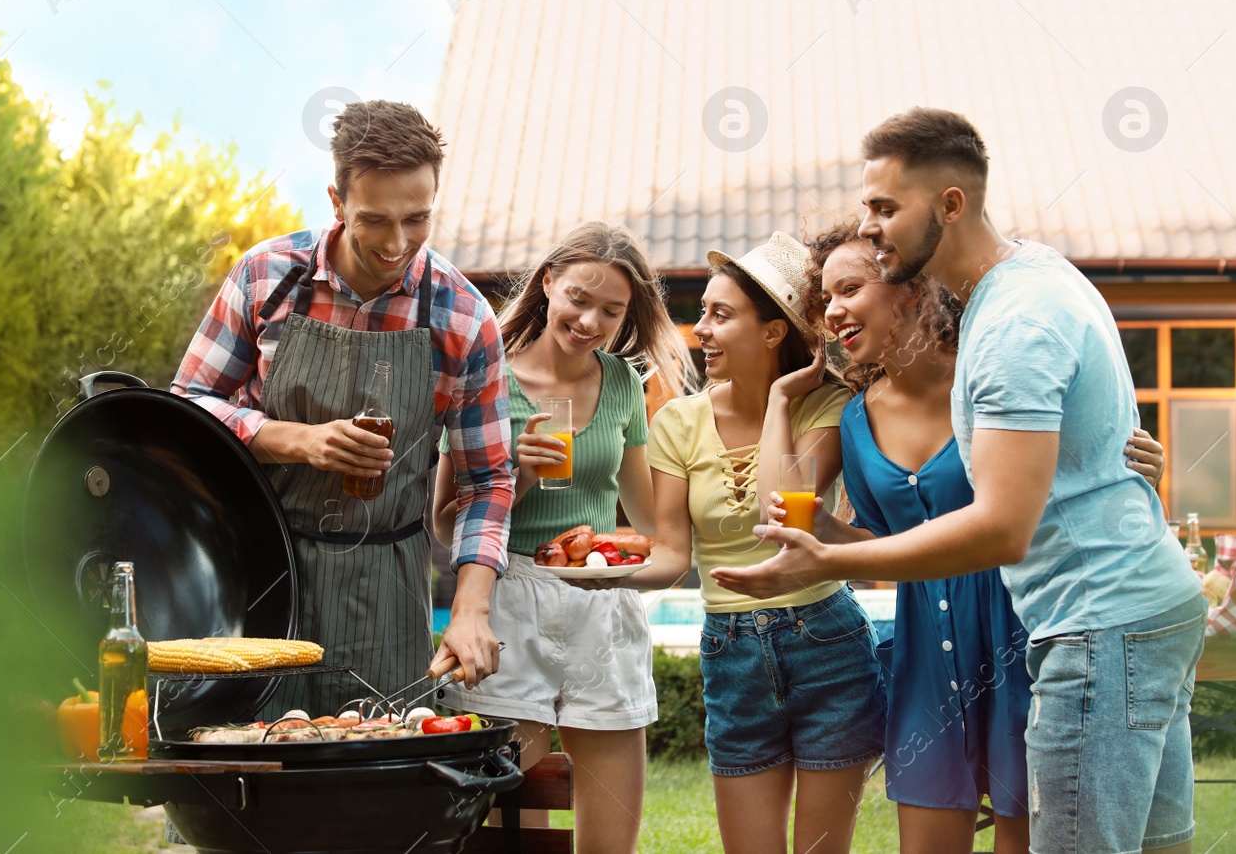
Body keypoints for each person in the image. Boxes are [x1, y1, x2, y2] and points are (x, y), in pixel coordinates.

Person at [714, 108, 1205, 854]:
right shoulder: (1022, 285)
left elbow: (1002, 524)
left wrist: (832, 560)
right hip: (1107, 616)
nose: (871, 227)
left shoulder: (1010, 324)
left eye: (885, 209)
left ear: (949, 204)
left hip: (1088, 622)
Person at [800, 218, 1168, 854]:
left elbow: (1075, 484)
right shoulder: (854, 421)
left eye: (850, 289)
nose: (832, 312)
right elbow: (878, 543)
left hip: (1023, 642)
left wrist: (1138, 476)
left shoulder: (996, 376)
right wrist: (823, 534)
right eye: (825, 298)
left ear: (912, 290)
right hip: (925, 664)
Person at [171, 99, 513, 716]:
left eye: (417, 218)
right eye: (374, 219)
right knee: (242, 761)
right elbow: (187, 408)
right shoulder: (265, 277)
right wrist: (293, 439)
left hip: (389, 582)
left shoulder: (462, 319)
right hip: (258, 565)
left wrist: (470, 609)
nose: (398, 242)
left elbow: (487, 479)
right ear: (336, 201)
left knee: (378, 781)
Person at [430, 221, 689, 854]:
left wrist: (698, 502)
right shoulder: (486, 381)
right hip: (506, 597)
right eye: (578, 297)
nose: (590, 320)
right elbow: (444, 523)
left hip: (599, 599)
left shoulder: (625, 384)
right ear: (548, 283)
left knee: (609, 832)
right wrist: (520, 476)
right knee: (513, 828)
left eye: (612, 309)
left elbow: (648, 521)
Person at [632, 232, 886, 854]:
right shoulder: (676, 422)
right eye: (702, 316)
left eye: (722, 316)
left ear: (773, 333)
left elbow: (785, 511)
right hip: (732, 650)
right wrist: (587, 576)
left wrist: (778, 399)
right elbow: (671, 553)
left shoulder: (823, 404)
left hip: (825, 640)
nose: (704, 331)